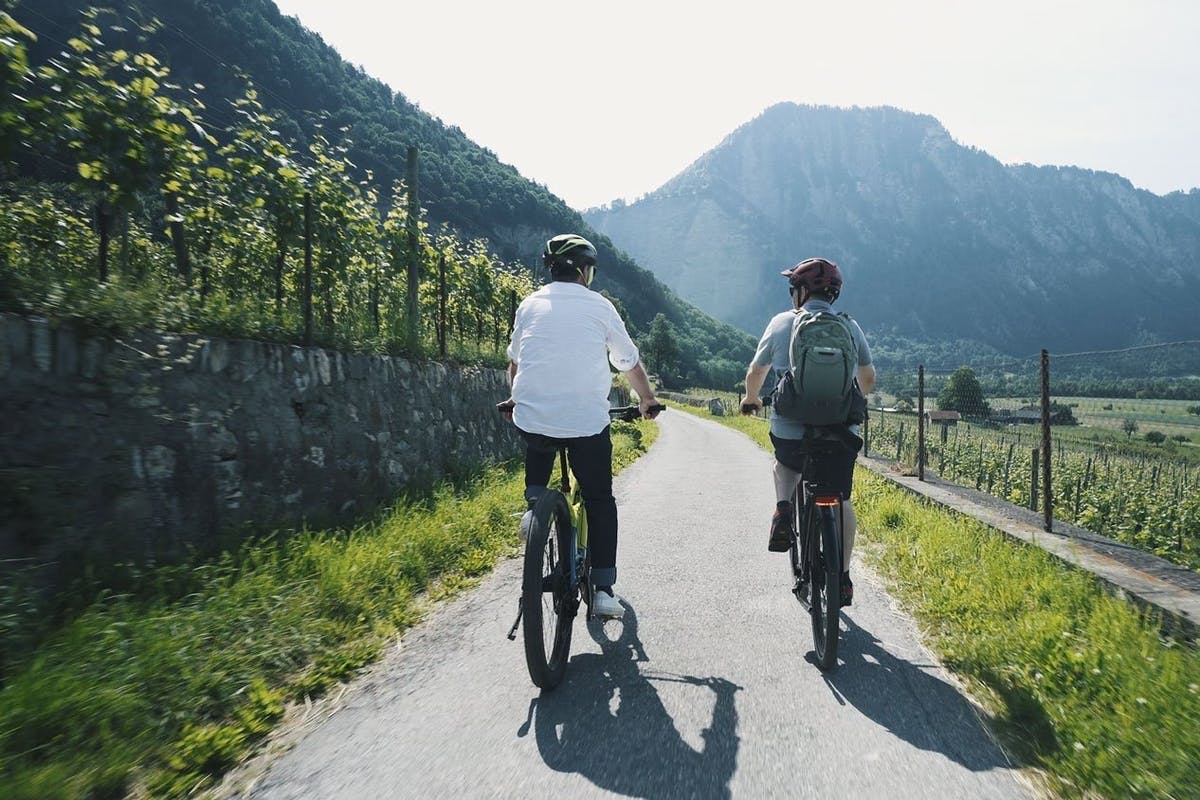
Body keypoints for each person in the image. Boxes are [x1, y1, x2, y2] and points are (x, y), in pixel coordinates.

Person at [501, 233, 661, 619]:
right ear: (586, 271)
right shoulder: (600, 307)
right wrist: (647, 399)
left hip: (532, 415)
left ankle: (534, 503)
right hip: (587, 424)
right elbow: (628, 362)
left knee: (537, 434)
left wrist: (515, 397)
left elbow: (516, 363)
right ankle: (603, 590)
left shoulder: (528, 304)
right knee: (600, 498)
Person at [740, 257, 875, 606]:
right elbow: (868, 380)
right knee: (841, 499)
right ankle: (842, 577)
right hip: (839, 429)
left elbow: (757, 371)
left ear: (801, 292)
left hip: (790, 429)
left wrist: (751, 398)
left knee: (785, 464)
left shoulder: (782, 323)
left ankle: (784, 509)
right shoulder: (850, 327)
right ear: (834, 294)